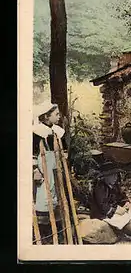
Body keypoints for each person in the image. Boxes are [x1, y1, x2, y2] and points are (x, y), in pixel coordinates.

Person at [90, 162, 131, 242]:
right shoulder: (100, 188)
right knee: (123, 218)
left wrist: (126, 203)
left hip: (112, 210)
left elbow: (122, 196)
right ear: (106, 177)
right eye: (112, 176)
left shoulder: (114, 185)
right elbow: (102, 206)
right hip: (102, 214)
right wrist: (116, 210)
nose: (115, 178)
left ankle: (125, 232)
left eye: (115, 175)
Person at [32, 102, 67, 244]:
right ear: (46, 116)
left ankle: (58, 230)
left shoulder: (58, 131)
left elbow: (64, 150)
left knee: (57, 196)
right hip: (43, 168)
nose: (59, 117)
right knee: (43, 197)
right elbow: (33, 153)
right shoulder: (36, 132)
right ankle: (44, 232)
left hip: (55, 167)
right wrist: (35, 170)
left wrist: (64, 156)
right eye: (56, 114)